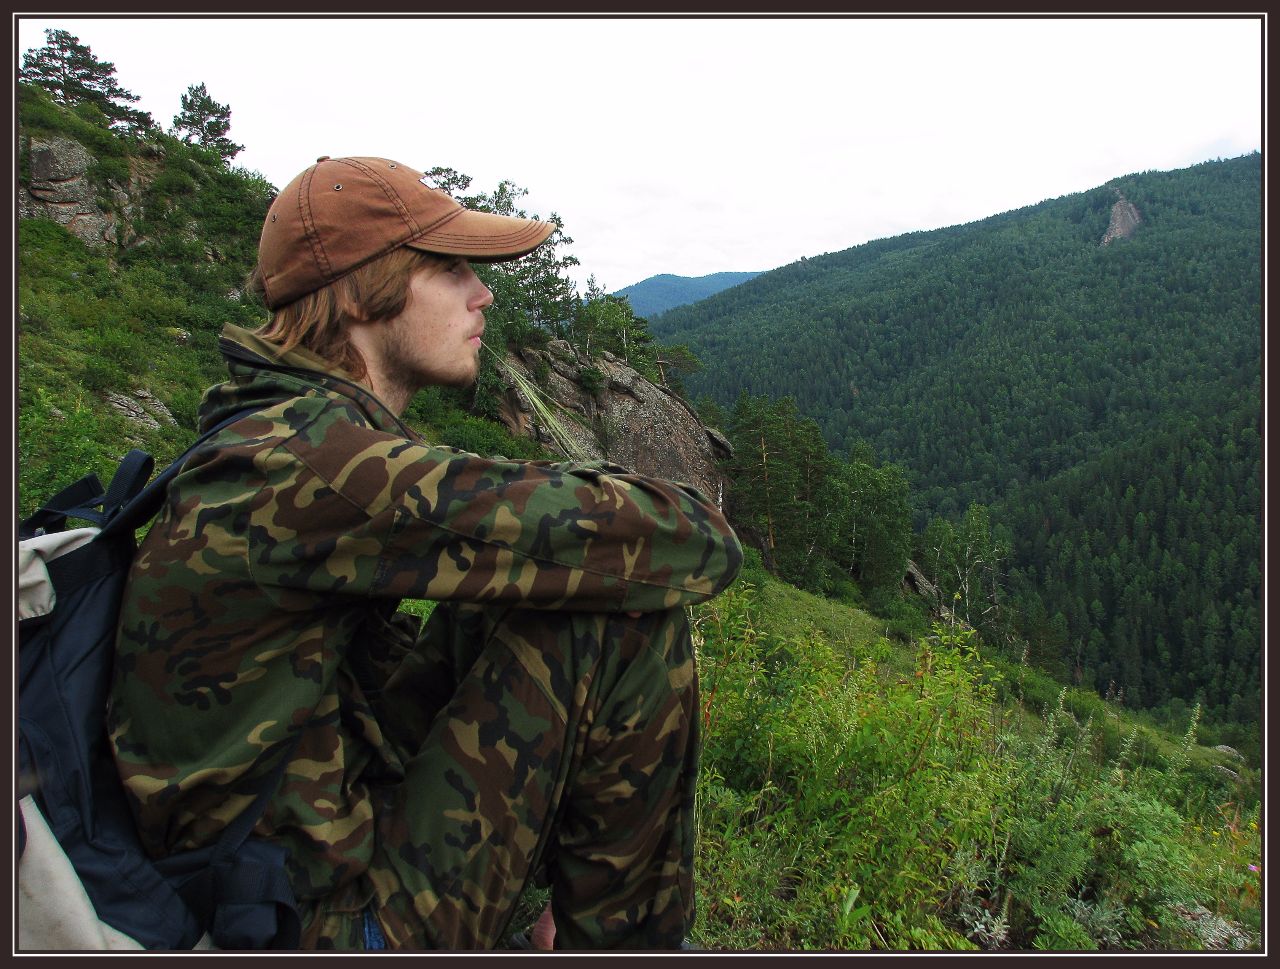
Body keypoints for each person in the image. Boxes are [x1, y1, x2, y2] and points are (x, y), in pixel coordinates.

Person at [107, 155, 743, 950]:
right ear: (366, 287)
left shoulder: (271, 431)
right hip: (305, 927)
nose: (484, 294)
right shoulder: (320, 465)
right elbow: (698, 542)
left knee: (527, 588)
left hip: (276, 859)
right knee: (620, 617)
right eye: (450, 269)